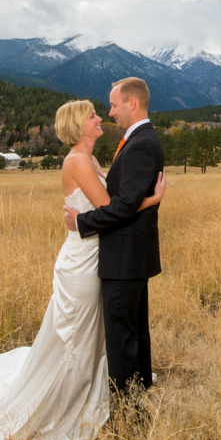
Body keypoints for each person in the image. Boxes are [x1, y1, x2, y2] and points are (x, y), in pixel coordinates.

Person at [0, 99, 165, 440]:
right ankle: (64, 403)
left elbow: (108, 208)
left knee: (92, 331)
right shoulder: (77, 161)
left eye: (100, 111)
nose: (100, 118)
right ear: (79, 124)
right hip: (82, 261)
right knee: (75, 333)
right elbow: (112, 209)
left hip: (95, 254)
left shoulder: (89, 160)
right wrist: (151, 198)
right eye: (92, 115)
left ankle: (90, 391)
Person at [65, 76, 165, 395]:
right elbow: (128, 201)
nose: (109, 113)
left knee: (122, 338)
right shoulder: (138, 141)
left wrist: (82, 222)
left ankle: (127, 414)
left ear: (131, 104)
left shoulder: (141, 144)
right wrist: (150, 200)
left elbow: (122, 207)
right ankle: (140, 392)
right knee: (132, 332)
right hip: (127, 255)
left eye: (113, 105)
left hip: (125, 256)